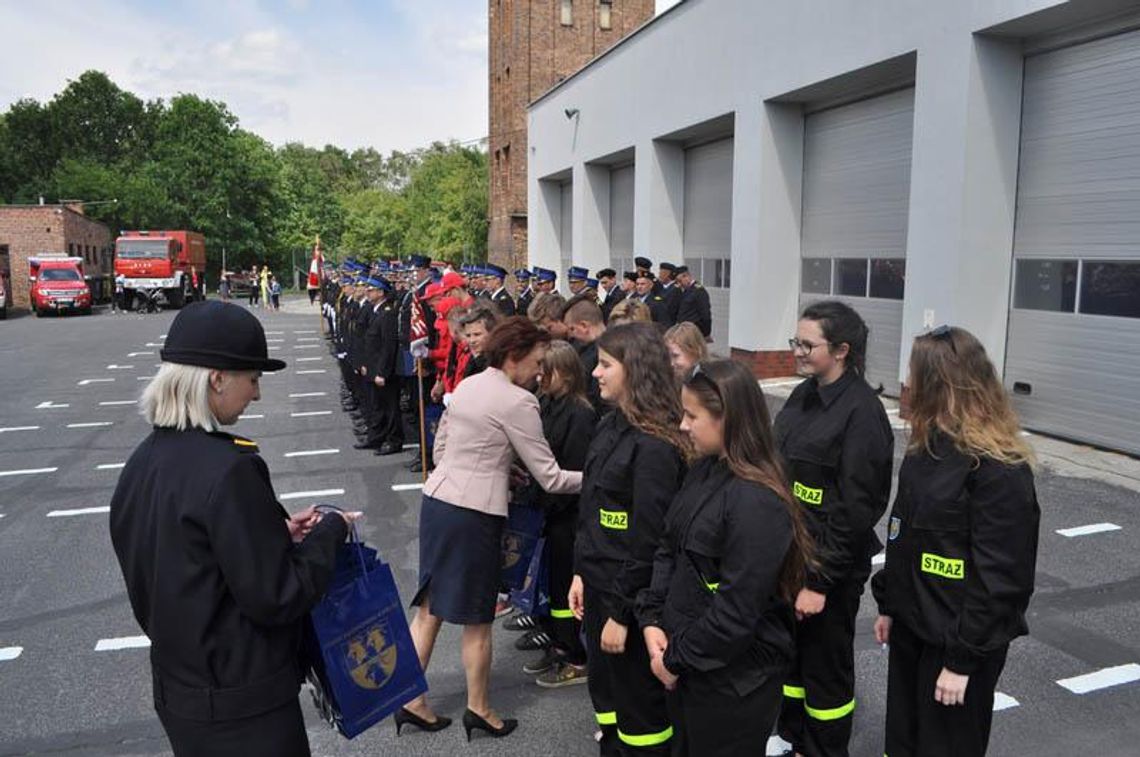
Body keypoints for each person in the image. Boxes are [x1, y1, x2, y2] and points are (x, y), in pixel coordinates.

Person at [108, 301, 358, 757]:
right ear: (216, 379)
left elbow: (186, 556)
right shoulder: (228, 470)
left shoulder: (143, 461)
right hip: (243, 705)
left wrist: (273, 534)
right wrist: (332, 531)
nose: (257, 394)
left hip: (180, 689)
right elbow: (278, 596)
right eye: (253, 379)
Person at [404, 317, 583, 741]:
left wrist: (504, 470)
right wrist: (602, 477)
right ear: (514, 357)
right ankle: (480, 709)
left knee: (429, 608)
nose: (540, 372)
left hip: (439, 501)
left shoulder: (470, 384)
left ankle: (410, 700)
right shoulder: (518, 401)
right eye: (537, 362)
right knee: (478, 617)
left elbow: (462, 445)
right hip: (473, 514)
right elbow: (553, 477)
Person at [871, 326, 1039, 757]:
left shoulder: (998, 469)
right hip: (913, 630)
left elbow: (1002, 581)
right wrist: (890, 604)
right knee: (903, 743)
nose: (906, 384)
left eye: (914, 375)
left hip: (957, 647)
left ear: (940, 384)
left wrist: (962, 662)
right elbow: (902, 535)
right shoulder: (926, 449)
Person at [638, 359, 815, 757]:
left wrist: (674, 659)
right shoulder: (705, 470)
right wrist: (651, 622)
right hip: (689, 664)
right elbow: (670, 547)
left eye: (691, 415)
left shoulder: (757, 500)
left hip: (735, 682)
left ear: (728, 419)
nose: (682, 425)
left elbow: (736, 611)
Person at [774, 300, 895, 757]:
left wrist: (819, 582)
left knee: (824, 668)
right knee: (793, 662)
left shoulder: (862, 415)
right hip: (790, 559)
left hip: (828, 570)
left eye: (808, 344)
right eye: (796, 342)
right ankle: (794, 740)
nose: (798, 352)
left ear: (841, 350)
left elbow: (854, 511)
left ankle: (825, 749)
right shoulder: (805, 395)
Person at [569, 322, 690, 756]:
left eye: (605, 365)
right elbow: (592, 510)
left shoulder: (654, 444)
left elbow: (649, 541)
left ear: (635, 370)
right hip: (600, 586)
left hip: (633, 603)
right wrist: (581, 574)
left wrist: (622, 613)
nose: (595, 373)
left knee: (641, 712)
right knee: (607, 700)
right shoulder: (611, 424)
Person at [520, 340, 597, 688]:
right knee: (551, 585)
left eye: (545, 371)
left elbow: (575, 470)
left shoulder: (580, 413)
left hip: (567, 515)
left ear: (564, 373)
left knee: (567, 587)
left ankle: (575, 654)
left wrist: (549, 503)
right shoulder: (547, 403)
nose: (539, 377)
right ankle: (558, 641)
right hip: (547, 511)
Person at [562, 296, 606, 414]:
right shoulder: (584, 349)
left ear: (584, 326)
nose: (570, 335)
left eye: (572, 329)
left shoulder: (602, 353)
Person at [675, 266, 712, 339]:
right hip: (685, 330)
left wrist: (706, 334)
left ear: (687, 276)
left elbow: (705, 314)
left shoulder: (699, 291)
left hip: (694, 331)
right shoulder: (687, 290)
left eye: (680, 281)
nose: (679, 284)